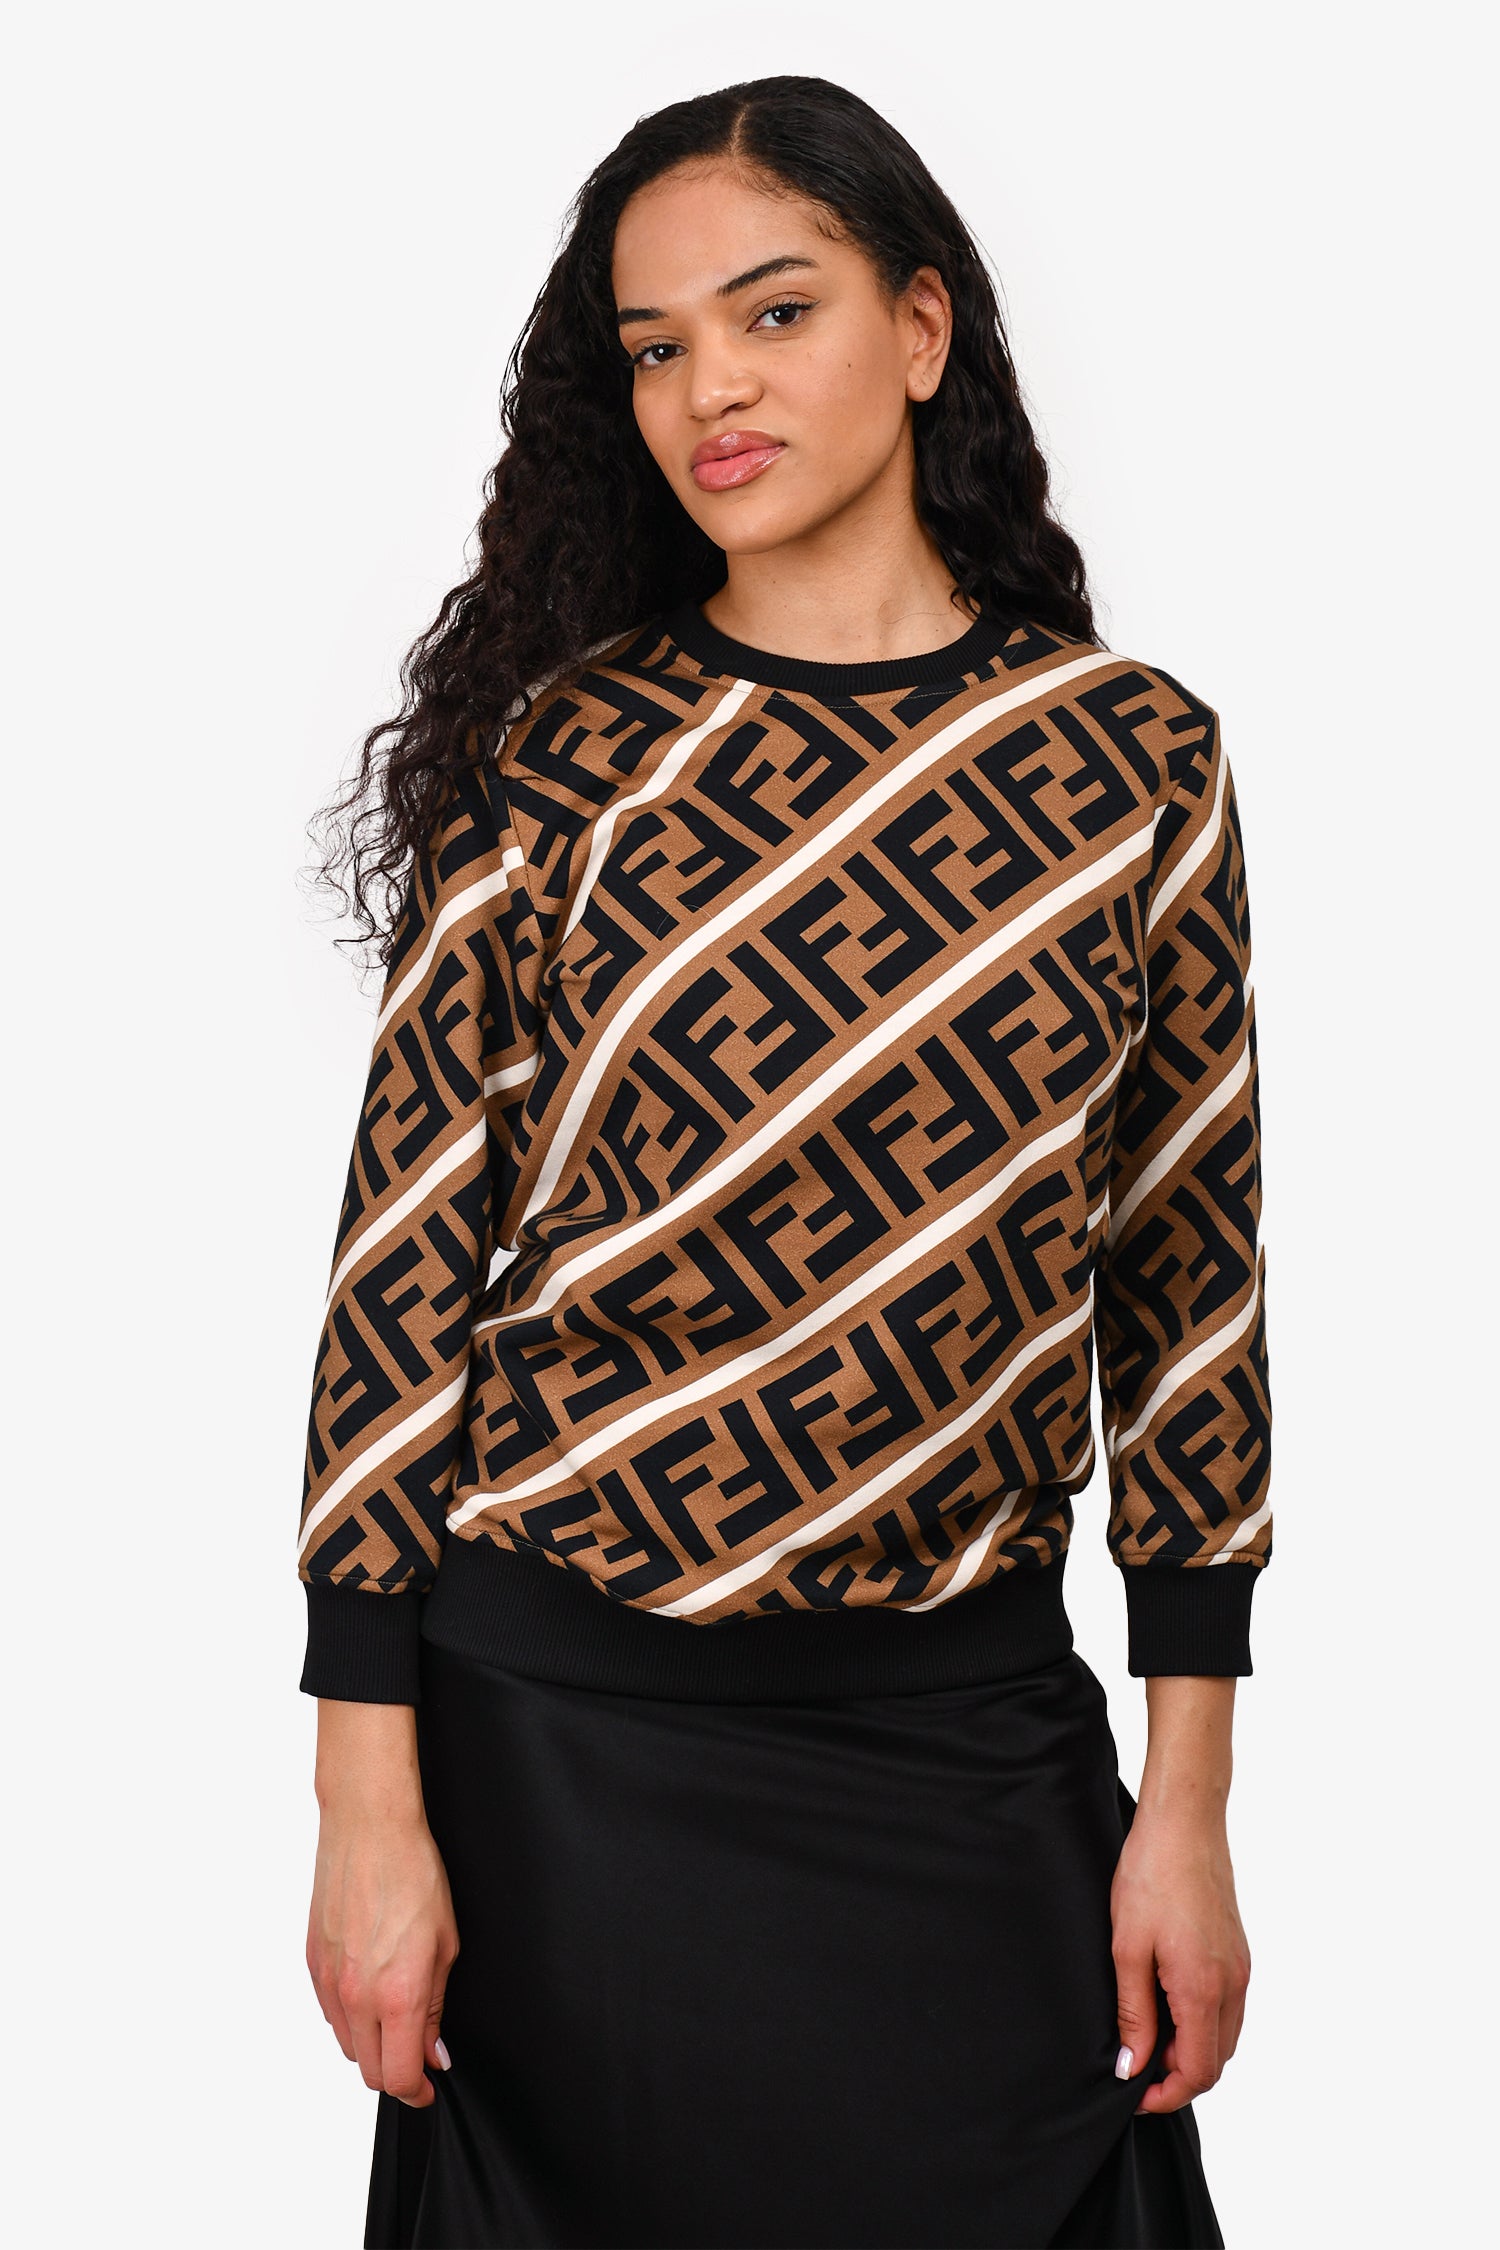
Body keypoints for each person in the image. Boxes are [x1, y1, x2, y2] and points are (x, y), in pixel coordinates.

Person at [297, 73, 1269, 2250]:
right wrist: (366, 1796)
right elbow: (400, 1284)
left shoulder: (1131, 764)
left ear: (922, 330)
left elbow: (1189, 1295)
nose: (710, 387)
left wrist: (1188, 1800)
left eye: (773, 312)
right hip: (562, 1752)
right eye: (655, 347)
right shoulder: (565, 760)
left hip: (965, 1733)